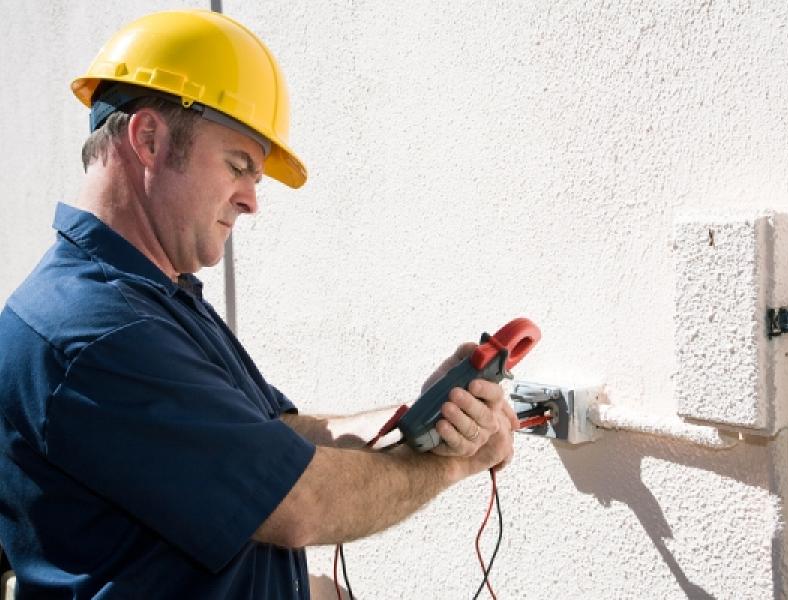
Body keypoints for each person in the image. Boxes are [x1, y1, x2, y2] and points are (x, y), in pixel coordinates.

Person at [0, 10, 518, 599]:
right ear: (148, 139)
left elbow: (274, 437)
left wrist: (420, 415)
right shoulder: (92, 330)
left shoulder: (152, 295)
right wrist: (454, 463)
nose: (251, 201)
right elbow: (298, 503)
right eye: (239, 166)